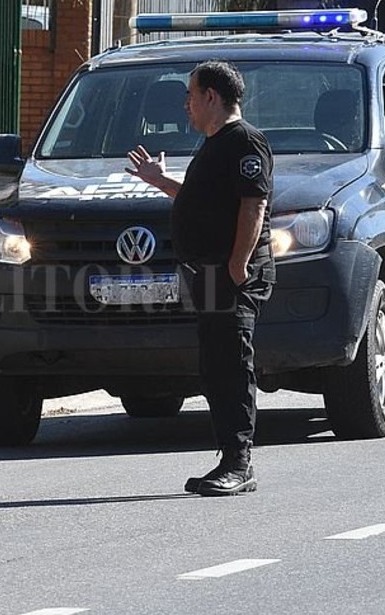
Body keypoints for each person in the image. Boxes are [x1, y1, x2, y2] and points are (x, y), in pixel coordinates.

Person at [126, 60, 274, 497]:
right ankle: (228, 457)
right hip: (210, 274)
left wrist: (238, 265)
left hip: (231, 273)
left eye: (190, 95)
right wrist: (159, 181)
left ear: (212, 96)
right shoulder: (213, 144)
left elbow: (254, 204)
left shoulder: (245, 141)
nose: (186, 104)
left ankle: (239, 463)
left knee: (231, 365)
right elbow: (200, 200)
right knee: (214, 366)